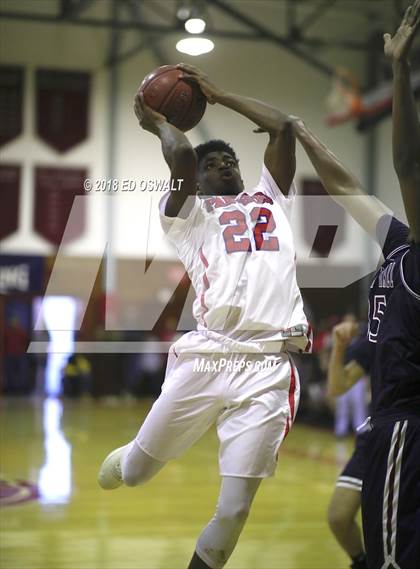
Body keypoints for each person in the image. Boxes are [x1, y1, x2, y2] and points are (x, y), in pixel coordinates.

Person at [98, 63, 312, 569]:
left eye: (225, 161)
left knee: (234, 510)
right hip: (209, 354)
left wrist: (217, 95)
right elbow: (177, 158)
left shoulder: (270, 199)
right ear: (195, 179)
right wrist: (156, 123)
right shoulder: (188, 217)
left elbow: (283, 126)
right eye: (208, 163)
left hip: (267, 366)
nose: (218, 166)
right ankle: (132, 455)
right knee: (136, 476)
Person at [293, 3, 420, 566]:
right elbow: (346, 187)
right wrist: (301, 134)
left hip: (407, 424)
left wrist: (397, 70)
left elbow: (407, 161)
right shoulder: (398, 241)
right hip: (389, 421)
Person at [326, 320, 371, 569]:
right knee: (338, 517)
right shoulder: (379, 334)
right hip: (376, 436)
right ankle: (362, 562)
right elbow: (336, 386)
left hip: (408, 433)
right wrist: (339, 348)